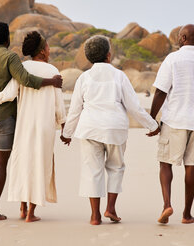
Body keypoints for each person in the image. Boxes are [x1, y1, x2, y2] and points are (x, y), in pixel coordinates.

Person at [61, 35, 159, 225]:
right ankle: (111, 209)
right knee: (116, 167)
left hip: (89, 128)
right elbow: (134, 107)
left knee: (92, 170)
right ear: (109, 55)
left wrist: (67, 134)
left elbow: (75, 110)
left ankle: (95, 215)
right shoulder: (119, 75)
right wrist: (153, 126)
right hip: (115, 128)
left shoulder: (84, 77)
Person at [0, 23, 62, 222]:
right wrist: (52, 83)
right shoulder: (11, 58)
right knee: (3, 164)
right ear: (7, 39)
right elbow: (26, 81)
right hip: (6, 119)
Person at [149, 24, 194, 224]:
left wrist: (151, 120)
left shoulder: (173, 59)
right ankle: (187, 214)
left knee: (165, 162)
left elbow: (161, 91)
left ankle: (167, 205)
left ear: (182, 38)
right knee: (191, 167)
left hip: (175, 120)